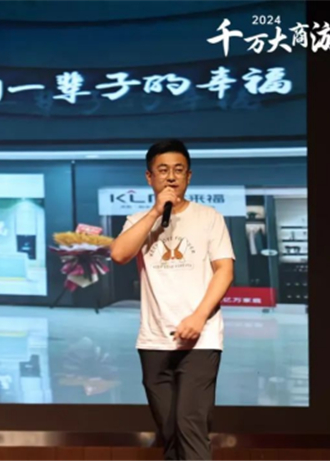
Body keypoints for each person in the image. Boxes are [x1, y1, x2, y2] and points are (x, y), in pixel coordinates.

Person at [110, 139, 235, 460]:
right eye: (163, 170)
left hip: (201, 339)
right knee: (170, 434)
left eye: (178, 170)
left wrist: (198, 317)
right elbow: (120, 254)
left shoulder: (208, 217)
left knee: (189, 425)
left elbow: (224, 270)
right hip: (154, 340)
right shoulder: (138, 220)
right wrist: (155, 212)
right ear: (149, 177)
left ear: (189, 176)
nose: (171, 177)